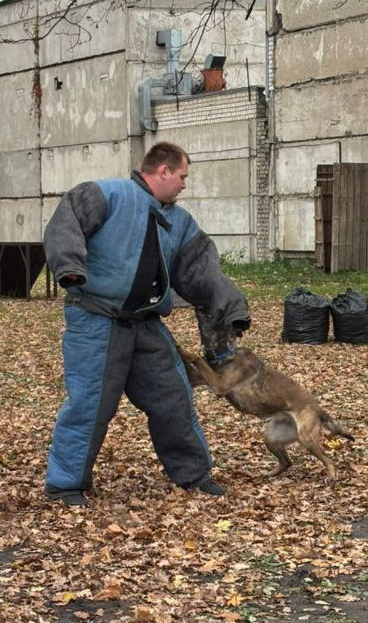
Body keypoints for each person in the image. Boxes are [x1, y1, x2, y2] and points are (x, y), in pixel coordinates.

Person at [43, 141, 250, 507]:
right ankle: (65, 486)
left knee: (173, 396)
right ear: (164, 170)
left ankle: (194, 475)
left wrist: (230, 306)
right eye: (183, 176)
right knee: (90, 404)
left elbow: (202, 270)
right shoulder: (108, 194)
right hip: (96, 319)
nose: (185, 185)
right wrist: (70, 267)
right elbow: (66, 220)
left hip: (146, 323)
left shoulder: (179, 222)